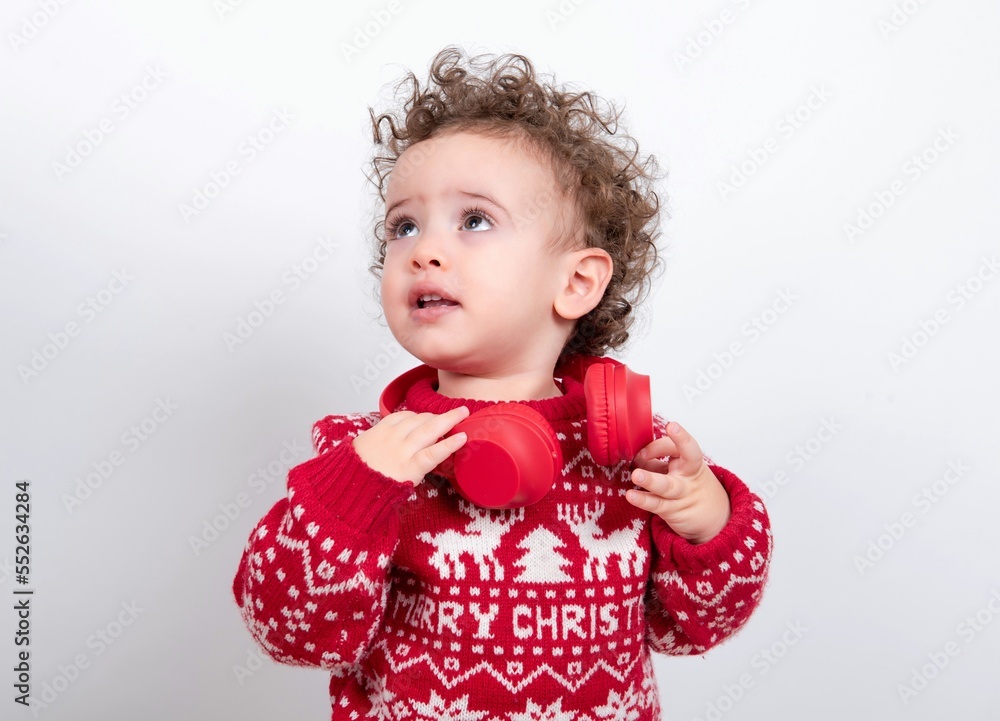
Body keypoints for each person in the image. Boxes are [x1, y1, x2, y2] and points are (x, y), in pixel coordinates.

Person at [233, 45, 772, 720]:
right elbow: (290, 632)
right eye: (403, 225)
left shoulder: (637, 455)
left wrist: (708, 520)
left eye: (475, 220)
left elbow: (693, 627)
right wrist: (354, 492)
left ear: (576, 281)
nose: (424, 248)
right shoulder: (367, 453)